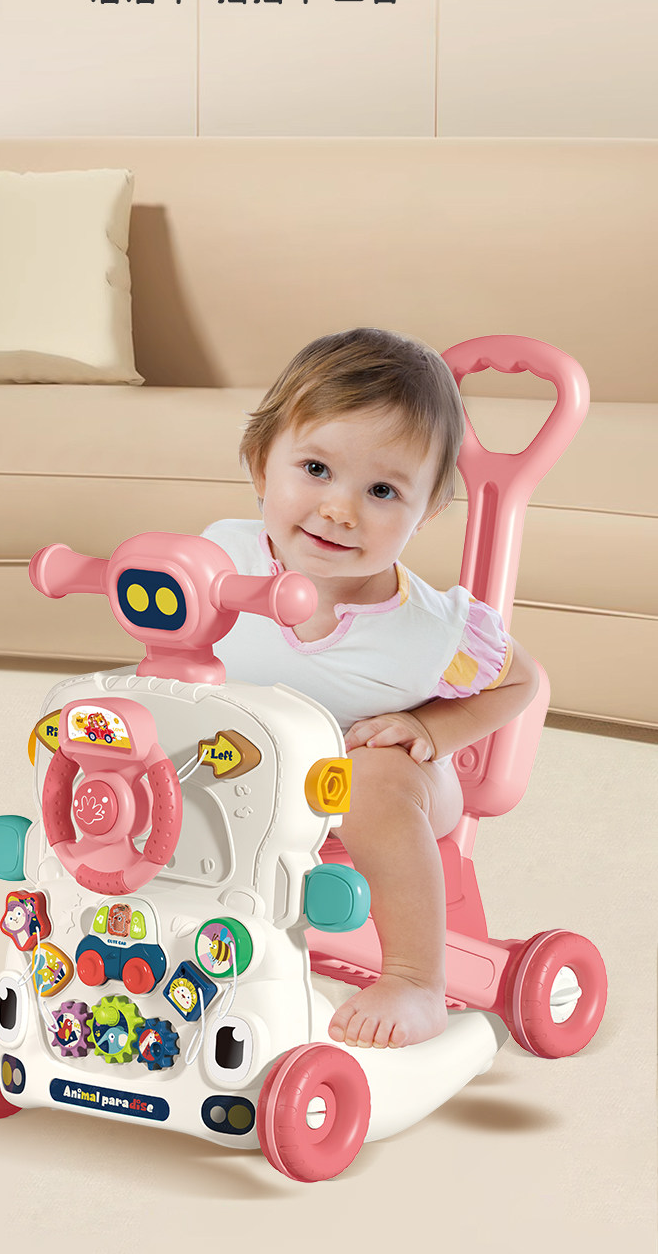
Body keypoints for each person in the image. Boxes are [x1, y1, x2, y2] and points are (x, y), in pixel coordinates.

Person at [202, 328, 539, 1052]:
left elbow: (522, 681)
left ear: (427, 511)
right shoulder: (219, 559)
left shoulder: (429, 632)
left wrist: (432, 730)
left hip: (377, 781)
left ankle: (416, 978)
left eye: (383, 491)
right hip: (246, 774)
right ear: (261, 463)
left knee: (373, 780)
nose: (339, 508)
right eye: (316, 468)